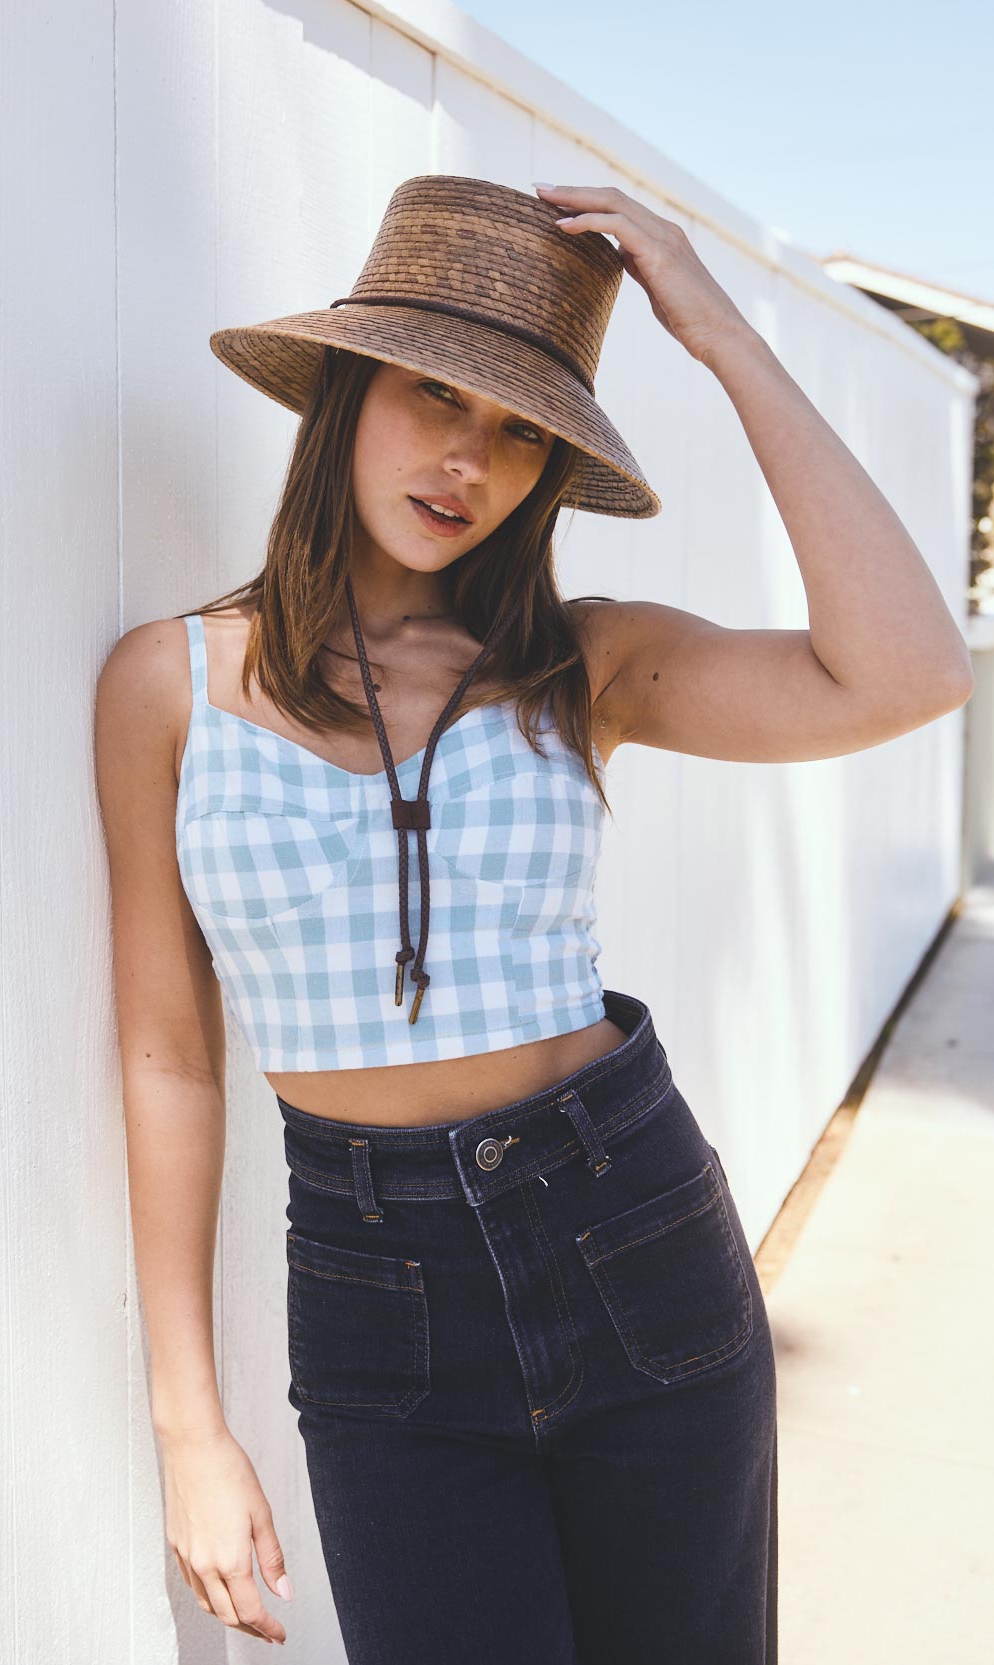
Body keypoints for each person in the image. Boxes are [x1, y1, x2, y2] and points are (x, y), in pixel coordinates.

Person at [94, 175, 973, 1661]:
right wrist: (191, 1418)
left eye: (520, 428)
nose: (467, 459)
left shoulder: (585, 663)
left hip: (630, 1234)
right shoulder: (169, 684)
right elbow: (168, 1051)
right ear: (350, 386)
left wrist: (722, 336)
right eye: (434, 392)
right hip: (378, 1297)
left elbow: (907, 670)